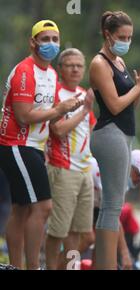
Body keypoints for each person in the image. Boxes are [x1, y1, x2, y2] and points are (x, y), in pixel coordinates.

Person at [0, 20, 83, 269]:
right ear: (32, 42)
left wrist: (70, 109)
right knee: (44, 207)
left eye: (55, 40)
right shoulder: (25, 71)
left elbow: (50, 114)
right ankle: (33, 266)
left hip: (33, 146)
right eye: (45, 39)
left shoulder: (51, 74)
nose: (51, 44)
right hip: (16, 144)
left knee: (22, 209)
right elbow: (24, 115)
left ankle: (15, 266)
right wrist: (59, 108)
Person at [89, 10, 140, 269]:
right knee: (112, 207)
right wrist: (138, 86)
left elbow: (131, 106)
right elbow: (115, 106)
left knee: (112, 207)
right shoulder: (99, 63)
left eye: (130, 37)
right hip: (109, 135)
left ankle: (102, 264)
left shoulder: (118, 61)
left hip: (123, 134)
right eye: (122, 36)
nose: (126, 41)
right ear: (107, 35)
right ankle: (108, 265)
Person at [44, 48, 96, 270]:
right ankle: (50, 267)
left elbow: (90, 128)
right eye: (70, 65)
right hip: (63, 168)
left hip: (85, 170)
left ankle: (70, 268)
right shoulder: (55, 93)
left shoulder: (85, 93)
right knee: (58, 231)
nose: (75, 69)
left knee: (78, 232)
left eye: (79, 65)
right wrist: (83, 111)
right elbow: (57, 130)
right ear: (60, 69)